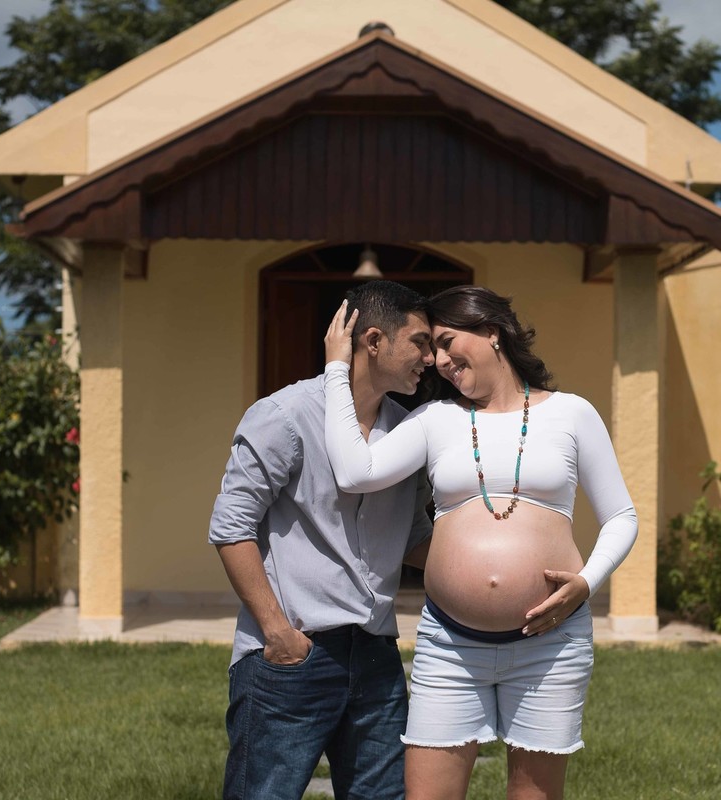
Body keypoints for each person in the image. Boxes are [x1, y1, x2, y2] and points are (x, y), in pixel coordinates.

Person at [322, 286, 638, 800]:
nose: (439, 361)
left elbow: (621, 516)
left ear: (492, 333)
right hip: (450, 646)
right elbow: (356, 471)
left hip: (550, 648)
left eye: (446, 342)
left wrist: (586, 581)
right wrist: (338, 368)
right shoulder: (437, 421)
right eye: (431, 349)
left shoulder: (572, 414)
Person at [209, 280, 436, 800]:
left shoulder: (408, 434)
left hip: (377, 656)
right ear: (374, 340)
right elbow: (231, 527)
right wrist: (277, 632)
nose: (431, 357)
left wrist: (496, 564)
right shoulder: (283, 417)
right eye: (420, 342)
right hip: (292, 656)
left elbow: (414, 538)